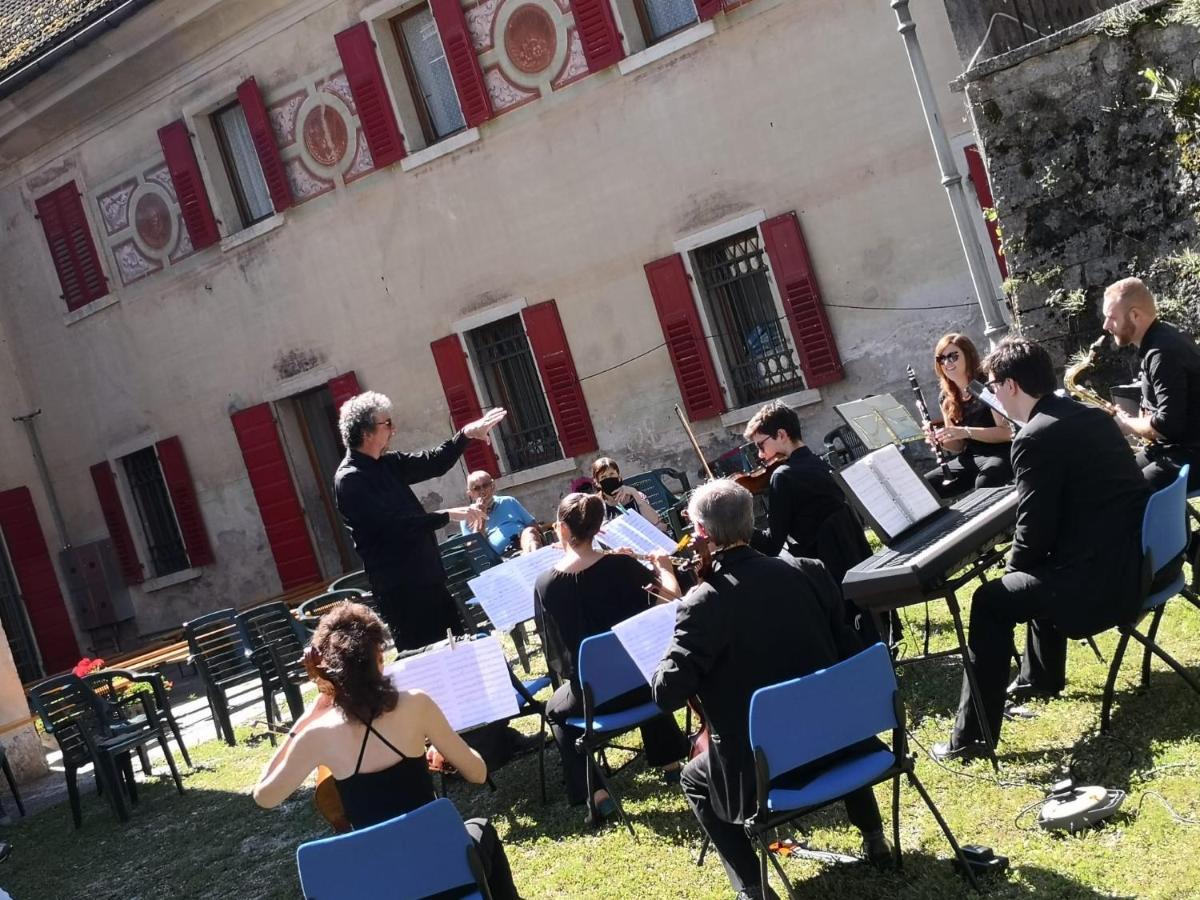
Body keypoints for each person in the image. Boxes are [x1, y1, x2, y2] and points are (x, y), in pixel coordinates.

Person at [651, 480, 889, 900]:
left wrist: (671, 611)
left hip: (766, 772)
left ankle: (752, 888)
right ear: (752, 520)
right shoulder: (811, 571)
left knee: (693, 777)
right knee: (823, 704)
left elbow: (666, 693)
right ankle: (874, 837)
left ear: (701, 534)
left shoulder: (702, 604)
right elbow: (850, 657)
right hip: (845, 742)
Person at [933, 338, 1149, 762]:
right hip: (1138, 563)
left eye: (993, 385)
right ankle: (1042, 678)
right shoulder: (1090, 415)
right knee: (1035, 570)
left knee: (991, 599)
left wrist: (1011, 569)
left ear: (1011, 386)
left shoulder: (1033, 437)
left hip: (1102, 588)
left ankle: (971, 739)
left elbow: (1033, 533)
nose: (991, 393)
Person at [253, 602, 522, 900]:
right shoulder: (417, 704)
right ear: (378, 657)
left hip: (378, 887)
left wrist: (304, 721)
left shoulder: (317, 735)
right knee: (482, 829)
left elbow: (264, 796)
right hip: (442, 873)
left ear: (331, 673)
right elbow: (478, 772)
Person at [533, 493, 689, 823]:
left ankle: (597, 794)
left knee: (554, 711)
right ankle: (671, 762)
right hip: (646, 686)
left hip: (594, 700)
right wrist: (665, 568)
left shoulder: (545, 583)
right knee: (631, 661)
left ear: (562, 528)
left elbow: (556, 654)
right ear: (600, 527)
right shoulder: (622, 565)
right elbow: (672, 601)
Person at [333, 392, 504, 651]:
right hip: (402, 591)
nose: (394, 429)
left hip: (429, 578)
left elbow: (434, 462)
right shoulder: (350, 479)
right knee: (429, 665)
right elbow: (395, 528)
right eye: (387, 424)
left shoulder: (388, 463)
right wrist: (447, 515)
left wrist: (466, 434)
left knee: (456, 652)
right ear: (366, 432)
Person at [1102, 277, 1200, 491]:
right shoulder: (1164, 336)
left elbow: (1168, 424)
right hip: (1173, 448)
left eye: (1111, 318)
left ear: (1135, 315)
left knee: (1124, 494)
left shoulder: (1162, 352)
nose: (1106, 325)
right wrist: (1133, 420)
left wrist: (1127, 425)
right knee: (1110, 478)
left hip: (1189, 454)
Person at [923, 333, 1013, 498]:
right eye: (941, 358)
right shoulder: (946, 397)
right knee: (926, 487)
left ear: (969, 356)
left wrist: (966, 431)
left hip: (1003, 453)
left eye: (953, 356)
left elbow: (1007, 433)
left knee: (985, 483)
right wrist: (940, 439)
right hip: (972, 457)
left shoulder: (987, 386)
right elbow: (958, 447)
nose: (947, 363)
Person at [460, 470, 543, 556]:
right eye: (476, 488)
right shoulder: (467, 516)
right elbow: (474, 550)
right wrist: (481, 518)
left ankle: (533, 559)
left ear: (492, 486)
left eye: (485, 485)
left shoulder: (508, 501)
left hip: (524, 546)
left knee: (530, 532)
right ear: (470, 494)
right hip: (499, 559)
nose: (482, 491)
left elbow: (534, 526)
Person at [590, 457, 668, 532]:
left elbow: (655, 521)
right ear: (597, 482)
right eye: (603, 477)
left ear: (619, 476)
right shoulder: (596, 504)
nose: (608, 478)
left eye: (612, 474)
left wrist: (634, 493)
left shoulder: (636, 495)